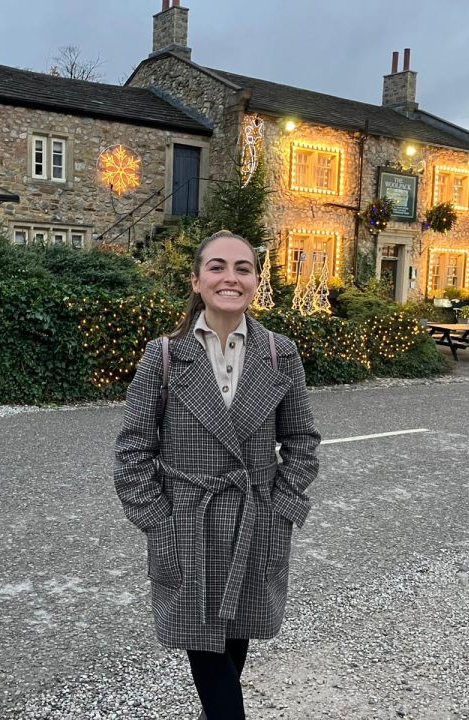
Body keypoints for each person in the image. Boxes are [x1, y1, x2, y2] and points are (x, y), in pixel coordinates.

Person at [114, 230, 320, 719]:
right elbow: (133, 448)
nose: (231, 277)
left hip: (257, 517)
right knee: (202, 640)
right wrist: (159, 521)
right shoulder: (163, 355)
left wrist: (280, 510)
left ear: (254, 280)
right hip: (188, 521)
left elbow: (302, 442)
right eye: (218, 267)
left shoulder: (279, 353)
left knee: (235, 631)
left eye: (243, 268)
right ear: (197, 280)